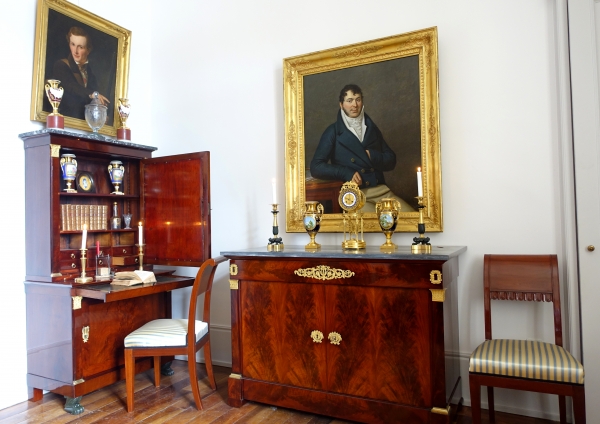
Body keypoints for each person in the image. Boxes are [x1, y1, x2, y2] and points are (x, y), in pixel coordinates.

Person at [310, 84, 414, 212]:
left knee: (411, 217)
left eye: (358, 99)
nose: (354, 105)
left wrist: (372, 156)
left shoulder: (371, 128)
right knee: (377, 223)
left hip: (381, 191)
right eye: (349, 101)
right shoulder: (333, 131)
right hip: (353, 195)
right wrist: (345, 172)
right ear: (341, 104)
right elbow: (316, 166)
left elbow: (391, 160)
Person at [52, 26, 110, 120]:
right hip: (68, 119)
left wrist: (101, 115)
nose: (75, 51)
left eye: (81, 47)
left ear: (88, 50)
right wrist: (93, 94)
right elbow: (72, 87)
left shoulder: (90, 73)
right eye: (73, 44)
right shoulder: (61, 65)